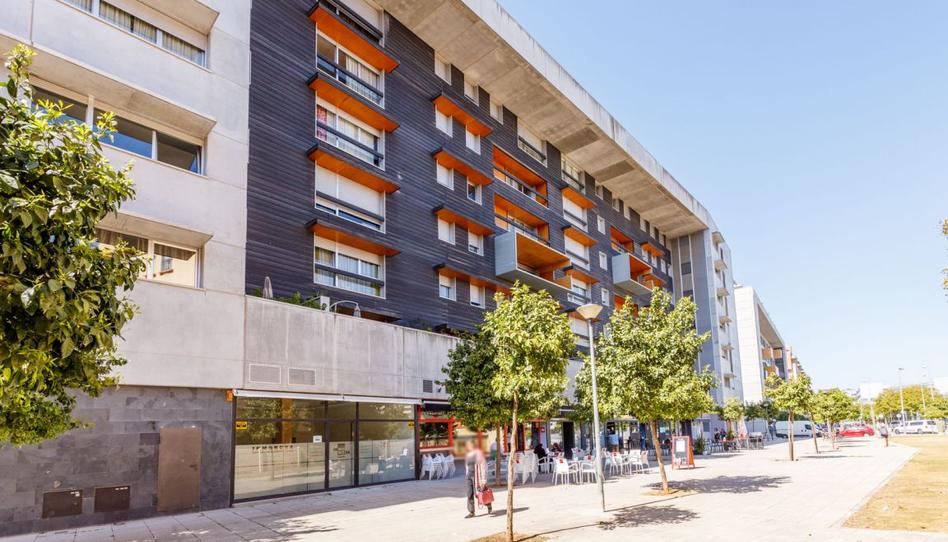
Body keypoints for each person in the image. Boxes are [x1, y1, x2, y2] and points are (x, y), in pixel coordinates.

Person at [464, 440, 490, 518]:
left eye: (470, 445)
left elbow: (483, 466)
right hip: (469, 476)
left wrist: (483, 479)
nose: (468, 447)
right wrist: (467, 473)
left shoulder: (478, 454)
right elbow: (467, 465)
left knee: (479, 494)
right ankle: (471, 512)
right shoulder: (468, 454)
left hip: (477, 476)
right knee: (469, 493)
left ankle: (488, 504)